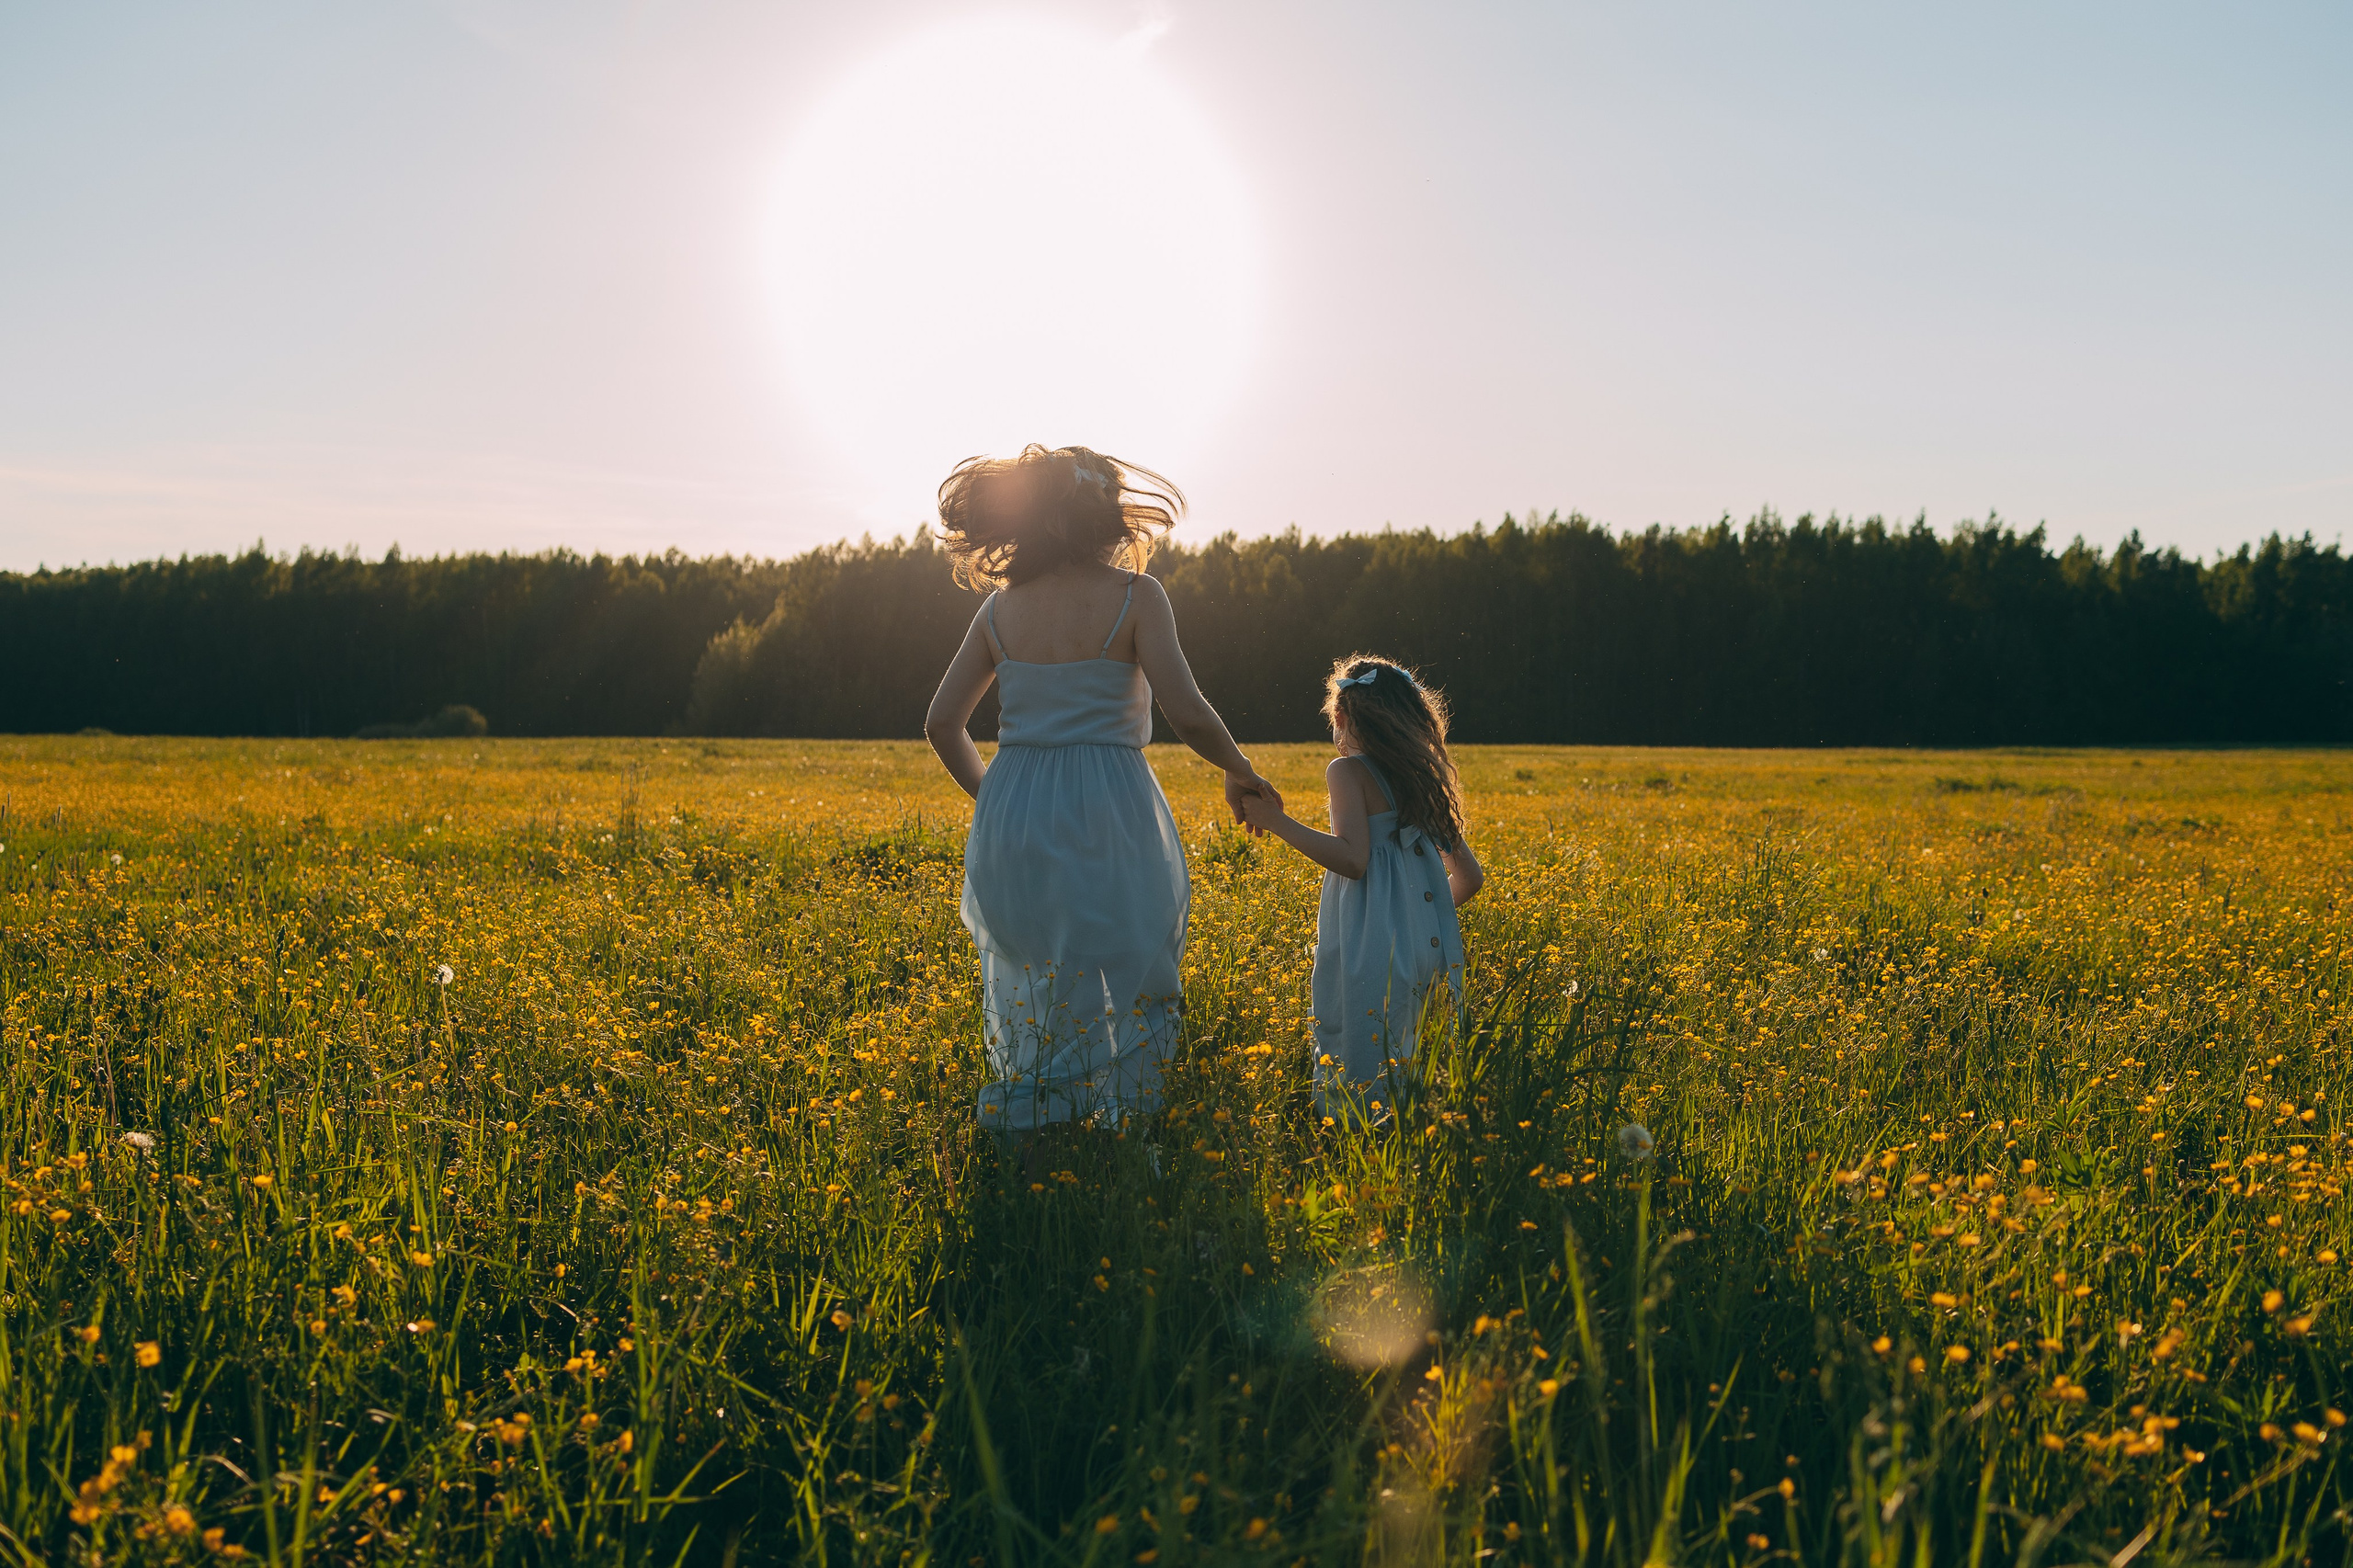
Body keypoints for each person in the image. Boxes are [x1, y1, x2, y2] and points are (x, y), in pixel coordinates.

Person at [925, 444, 1279, 1142]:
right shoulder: (1136, 598)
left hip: (1014, 807)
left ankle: (1035, 1127)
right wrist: (1240, 769)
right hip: (1108, 804)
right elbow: (1188, 710)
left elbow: (942, 723)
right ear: (1102, 521)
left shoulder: (1000, 611)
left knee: (1034, 971)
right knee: (1130, 962)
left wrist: (996, 796)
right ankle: (1125, 1127)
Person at [1239, 655, 1483, 1107]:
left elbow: (1352, 859)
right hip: (1422, 948)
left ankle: (1357, 1147)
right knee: (1408, 1056)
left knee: (1357, 1050)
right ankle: (1412, 1141)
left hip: (1368, 943)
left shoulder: (1346, 771)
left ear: (1343, 717)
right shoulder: (1419, 779)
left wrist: (1277, 821)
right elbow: (1469, 878)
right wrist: (1413, 920)